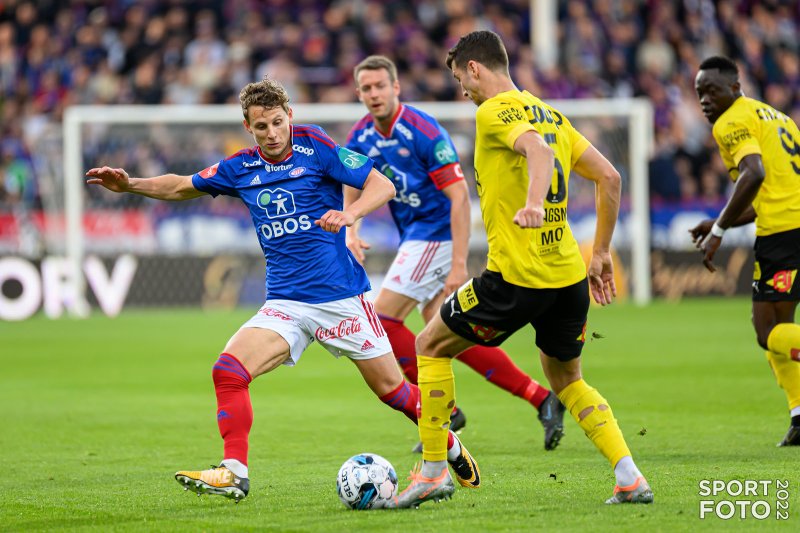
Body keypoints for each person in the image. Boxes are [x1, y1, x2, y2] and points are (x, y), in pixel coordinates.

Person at [85, 77, 480, 503]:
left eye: (277, 122)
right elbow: (182, 185)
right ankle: (234, 471)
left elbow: (381, 184)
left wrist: (351, 215)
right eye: (261, 127)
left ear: (289, 116)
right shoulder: (241, 167)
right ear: (247, 127)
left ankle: (451, 446)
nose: (272, 134)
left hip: (341, 300)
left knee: (395, 393)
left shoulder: (316, 146)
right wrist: (130, 185)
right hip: (286, 304)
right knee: (228, 371)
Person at [380, 31, 653, 509]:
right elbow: (610, 176)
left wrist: (531, 205)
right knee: (567, 379)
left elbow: (539, 154)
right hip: (568, 276)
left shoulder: (494, 110)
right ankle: (629, 476)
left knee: (429, 344)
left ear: (475, 69)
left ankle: (431, 472)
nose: (463, 92)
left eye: (461, 80)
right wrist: (602, 252)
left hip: (515, 278)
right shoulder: (549, 112)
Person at [344, 55, 566, 454]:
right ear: (358, 93)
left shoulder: (423, 131)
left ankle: (443, 410)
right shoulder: (361, 135)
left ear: (396, 88)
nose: (374, 94)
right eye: (366, 88)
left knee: (382, 320)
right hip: (413, 237)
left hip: (437, 236)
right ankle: (541, 398)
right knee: (443, 332)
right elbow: (351, 178)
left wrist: (458, 264)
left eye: (380, 86)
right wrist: (352, 228)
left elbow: (460, 197)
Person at [690, 56, 800, 447]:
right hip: (790, 224)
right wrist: (719, 219)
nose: (705, 99)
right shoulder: (775, 116)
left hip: (784, 234)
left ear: (735, 88)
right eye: (699, 92)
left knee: (766, 331)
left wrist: (718, 231)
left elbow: (754, 173)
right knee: (780, 328)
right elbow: (759, 194)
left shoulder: (732, 120)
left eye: (712, 91)